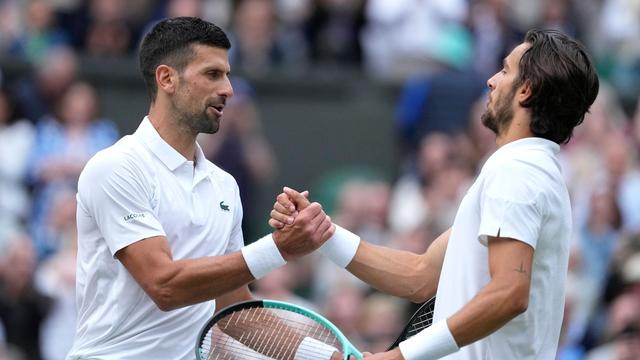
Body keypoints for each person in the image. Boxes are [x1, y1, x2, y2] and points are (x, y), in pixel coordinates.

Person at [271, 29, 600, 359]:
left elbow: (509, 294)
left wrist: (398, 356)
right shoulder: (531, 170)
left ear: (526, 90)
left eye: (504, 70)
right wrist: (323, 234)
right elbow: (420, 276)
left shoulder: (518, 170)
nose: (491, 80)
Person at [66, 17, 334, 360]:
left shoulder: (224, 187)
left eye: (227, 74)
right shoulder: (116, 167)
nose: (229, 89)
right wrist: (278, 249)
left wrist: (332, 358)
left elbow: (236, 312)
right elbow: (164, 285)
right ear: (167, 79)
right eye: (212, 74)